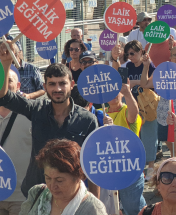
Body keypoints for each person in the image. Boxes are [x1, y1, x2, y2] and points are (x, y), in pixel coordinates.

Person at [0, 44, 100, 198]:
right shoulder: (36, 109)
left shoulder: (87, 119)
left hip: (70, 197)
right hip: (36, 195)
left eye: (62, 83)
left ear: (72, 85)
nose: (57, 89)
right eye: (52, 84)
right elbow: (5, 97)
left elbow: (93, 166)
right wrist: (6, 64)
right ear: (45, 87)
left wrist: (95, 205)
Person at [19, 139, 107, 215]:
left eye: (59, 180)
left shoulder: (93, 209)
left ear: (77, 177)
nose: (52, 186)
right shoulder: (36, 193)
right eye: (48, 178)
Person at [141, 46, 176, 158]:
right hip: (165, 117)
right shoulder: (163, 73)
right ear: (170, 58)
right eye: (175, 55)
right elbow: (145, 84)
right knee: (173, 151)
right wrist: (146, 66)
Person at [103, 81, 145, 215]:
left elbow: (133, 114)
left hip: (129, 168)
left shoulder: (127, 110)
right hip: (108, 169)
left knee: (134, 208)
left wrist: (127, 92)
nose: (114, 95)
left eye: (117, 91)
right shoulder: (100, 114)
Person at [0, 70, 32, 215]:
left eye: (9, 80)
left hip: (21, 197)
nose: (3, 85)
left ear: (18, 85)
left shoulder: (31, 113)